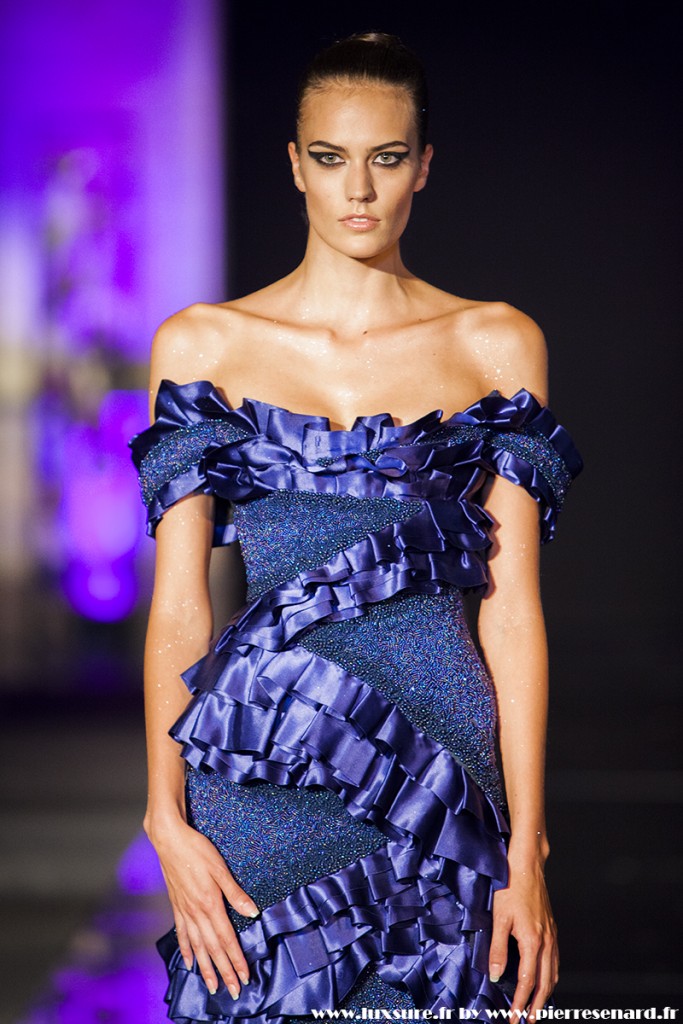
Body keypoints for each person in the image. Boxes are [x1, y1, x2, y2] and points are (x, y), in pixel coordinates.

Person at [130, 31, 583, 1023]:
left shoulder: (494, 342)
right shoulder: (204, 344)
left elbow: (511, 609)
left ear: (423, 165)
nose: (359, 189)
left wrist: (527, 839)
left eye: (386, 157)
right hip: (265, 769)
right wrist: (164, 814)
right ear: (295, 164)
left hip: (444, 766)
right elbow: (179, 609)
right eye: (332, 158)